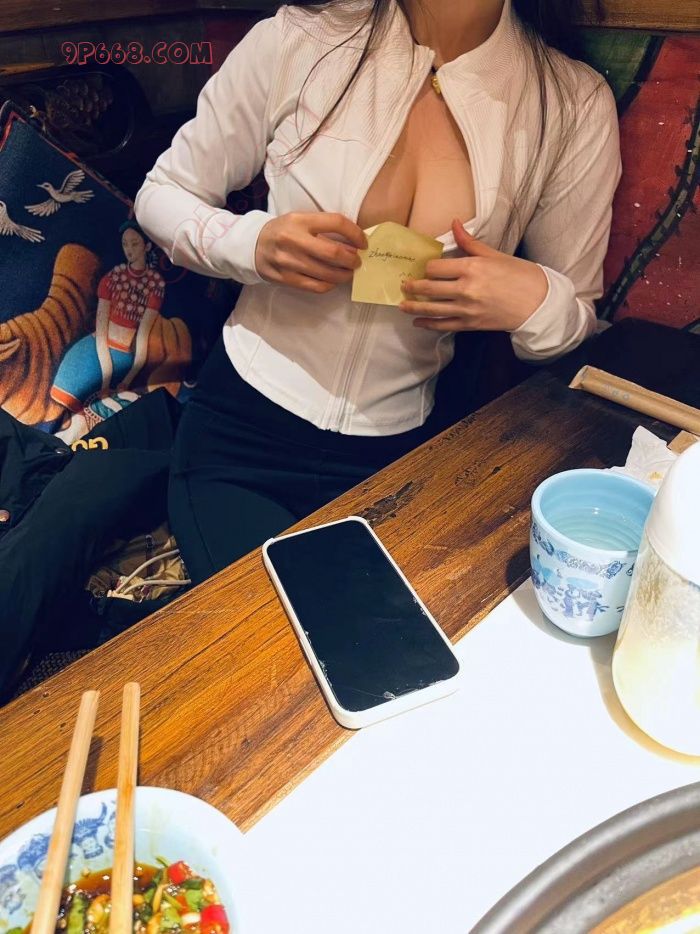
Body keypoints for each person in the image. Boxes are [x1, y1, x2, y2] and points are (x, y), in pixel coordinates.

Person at [134, 0, 621, 585]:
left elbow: (578, 320)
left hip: (400, 460)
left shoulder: (571, 103)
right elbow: (162, 194)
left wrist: (533, 298)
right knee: (259, 625)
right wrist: (253, 244)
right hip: (240, 435)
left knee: (369, 631)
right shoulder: (299, 39)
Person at [51, 220, 165, 414]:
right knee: (65, 412)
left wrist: (128, 378)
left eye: (135, 244)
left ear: (147, 246)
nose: (129, 250)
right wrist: (105, 384)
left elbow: (143, 336)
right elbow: (101, 330)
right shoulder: (113, 277)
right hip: (91, 353)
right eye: (125, 244)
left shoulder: (155, 284)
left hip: (124, 358)